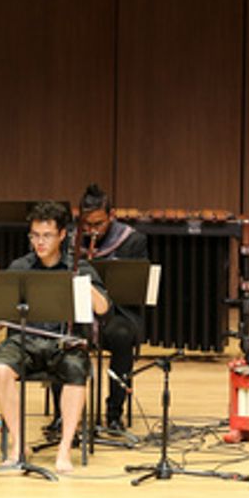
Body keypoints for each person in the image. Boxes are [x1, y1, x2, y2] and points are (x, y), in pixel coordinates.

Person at [0, 201, 110, 474]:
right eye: (35, 235)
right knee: (0, 368)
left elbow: (104, 309)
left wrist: (83, 284)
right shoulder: (21, 266)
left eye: (46, 236)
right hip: (25, 343)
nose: (39, 242)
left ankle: (64, 448)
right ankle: (19, 444)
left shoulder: (78, 266)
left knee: (76, 369)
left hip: (63, 344)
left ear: (62, 235)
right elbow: (1, 314)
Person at [76, 183, 148, 429]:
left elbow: (135, 288)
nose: (91, 231)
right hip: (78, 312)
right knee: (61, 335)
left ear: (112, 215)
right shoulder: (71, 240)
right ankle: (66, 414)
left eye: (98, 224)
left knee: (122, 336)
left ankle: (114, 412)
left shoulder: (132, 241)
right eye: (86, 224)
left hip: (117, 313)